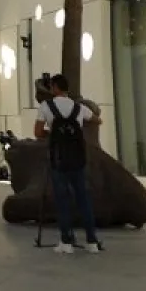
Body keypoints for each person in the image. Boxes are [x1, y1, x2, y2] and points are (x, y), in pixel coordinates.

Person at [34, 73, 103, 253]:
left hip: (58, 160)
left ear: (55, 88)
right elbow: (98, 120)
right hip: (78, 159)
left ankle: (66, 242)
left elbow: (38, 132)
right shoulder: (78, 107)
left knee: (62, 200)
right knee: (83, 199)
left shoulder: (46, 106)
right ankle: (92, 242)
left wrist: (54, 133)